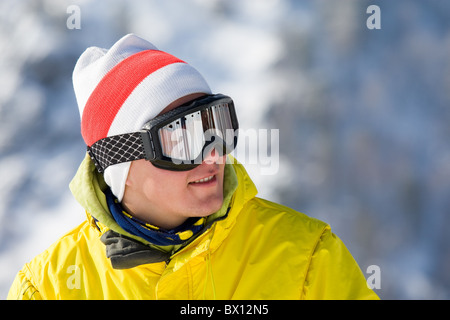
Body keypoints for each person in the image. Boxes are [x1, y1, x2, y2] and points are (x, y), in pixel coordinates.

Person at [8, 34, 379, 300]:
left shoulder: (307, 258)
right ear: (121, 163)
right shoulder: (48, 289)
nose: (214, 156)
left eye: (216, 126)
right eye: (182, 138)